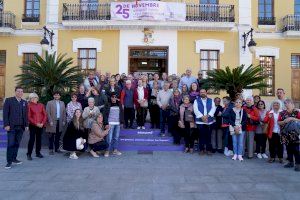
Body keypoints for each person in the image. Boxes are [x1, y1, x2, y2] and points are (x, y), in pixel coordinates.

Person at [3, 87, 28, 169]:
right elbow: (5, 113)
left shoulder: (24, 102)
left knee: (17, 144)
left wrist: (26, 125)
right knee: (11, 144)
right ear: (15, 92)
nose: (20, 93)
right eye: (18, 91)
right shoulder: (9, 100)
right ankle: (9, 162)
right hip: (11, 127)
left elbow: (25, 115)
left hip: (21, 127)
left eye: (21, 91)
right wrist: (6, 124)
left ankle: (14, 158)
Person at [278, 99, 300, 171]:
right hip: (285, 133)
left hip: (295, 134)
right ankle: (290, 162)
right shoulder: (282, 113)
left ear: (292, 104)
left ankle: (298, 164)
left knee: (296, 149)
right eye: (285, 103)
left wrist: (292, 118)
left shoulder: (297, 112)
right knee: (288, 149)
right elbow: (278, 122)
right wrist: (284, 121)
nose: (286, 105)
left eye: (288, 103)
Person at [193, 89, 216, 155]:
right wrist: (202, 117)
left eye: (204, 92)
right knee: (201, 136)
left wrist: (207, 116)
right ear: (199, 93)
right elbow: (195, 109)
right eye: (201, 92)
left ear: (206, 93)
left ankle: (208, 149)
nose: (202, 93)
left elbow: (213, 108)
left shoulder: (211, 100)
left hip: (209, 121)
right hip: (200, 122)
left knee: (208, 136)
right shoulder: (196, 100)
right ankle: (201, 149)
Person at [27, 93, 47, 161]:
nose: (33, 99)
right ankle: (29, 154)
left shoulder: (41, 105)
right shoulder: (29, 106)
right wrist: (36, 123)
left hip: (41, 125)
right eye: (31, 98)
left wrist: (42, 123)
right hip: (33, 125)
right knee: (32, 140)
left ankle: (38, 153)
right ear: (30, 99)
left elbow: (45, 115)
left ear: (37, 98)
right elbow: (29, 117)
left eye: (34, 97)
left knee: (39, 140)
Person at [105, 93, 124, 157]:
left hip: (117, 124)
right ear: (111, 98)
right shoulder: (108, 104)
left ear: (116, 98)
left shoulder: (119, 104)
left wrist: (121, 122)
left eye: (115, 97)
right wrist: (106, 123)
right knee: (109, 138)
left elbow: (121, 113)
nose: (113, 98)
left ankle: (115, 150)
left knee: (116, 137)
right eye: (112, 97)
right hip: (110, 124)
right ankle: (107, 151)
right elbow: (105, 114)